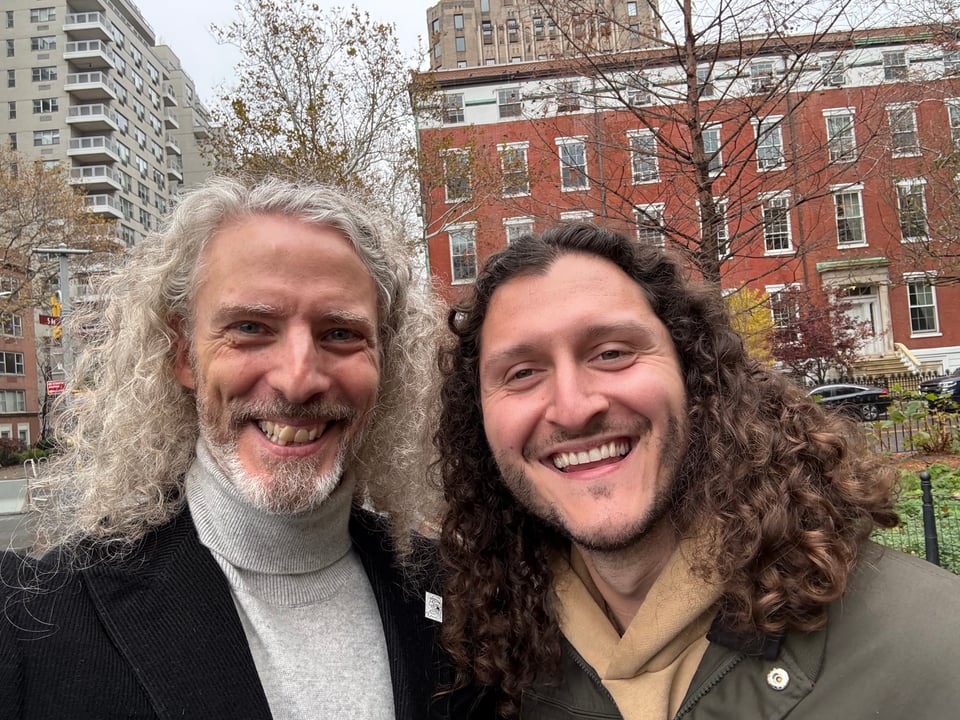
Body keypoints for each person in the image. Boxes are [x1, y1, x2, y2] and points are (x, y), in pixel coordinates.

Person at [435, 222, 960, 719]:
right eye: (522, 373)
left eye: (612, 353)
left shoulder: (931, 643)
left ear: (694, 373)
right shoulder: (487, 672)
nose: (573, 408)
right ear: (479, 419)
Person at [0, 176, 447, 719]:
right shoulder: (35, 618)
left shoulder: (452, 596)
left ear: (386, 362)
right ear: (184, 355)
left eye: (340, 334)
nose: (298, 380)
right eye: (251, 327)